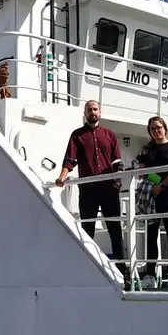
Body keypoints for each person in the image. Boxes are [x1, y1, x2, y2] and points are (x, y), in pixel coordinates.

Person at [56, 100, 128, 282]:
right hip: (88, 190)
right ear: (85, 113)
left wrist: (118, 180)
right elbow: (70, 159)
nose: (93, 112)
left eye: (95, 109)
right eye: (89, 110)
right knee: (87, 228)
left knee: (114, 228)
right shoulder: (77, 135)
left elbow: (117, 162)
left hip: (109, 188)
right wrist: (62, 176)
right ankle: (86, 267)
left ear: (100, 112)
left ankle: (122, 269)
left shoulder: (110, 135)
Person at [136, 116, 168, 289]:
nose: (156, 131)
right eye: (152, 129)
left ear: (165, 128)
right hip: (152, 197)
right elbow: (143, 172)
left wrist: (161, 185)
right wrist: (156, 184)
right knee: (151, 235)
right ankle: (150, 274)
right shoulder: (147, 150)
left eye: (158, 127)